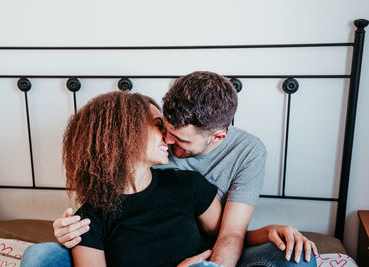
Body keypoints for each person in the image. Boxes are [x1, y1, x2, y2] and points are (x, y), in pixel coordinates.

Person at [22, 72, 318, 267]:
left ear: (217, 136)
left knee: (299, 258)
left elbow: (228, 234)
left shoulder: (191, 183)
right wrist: (66, 232)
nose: (167, 137)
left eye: (177, 136)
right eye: (161, 125)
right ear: (123, 136)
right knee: (39, 256)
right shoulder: (93, 213)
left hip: (210, 259)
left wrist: (269, 233)